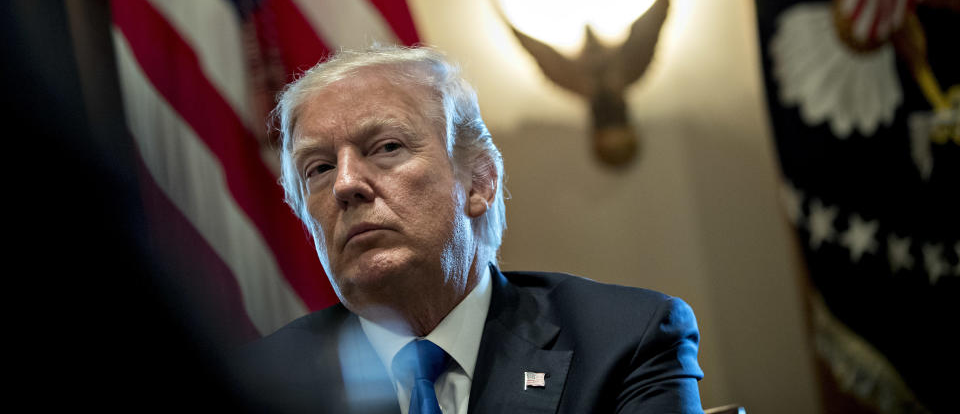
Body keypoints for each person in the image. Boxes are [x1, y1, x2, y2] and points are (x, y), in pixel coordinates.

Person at [236, 45, 703, 413]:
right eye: (317, 169)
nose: (345, 184)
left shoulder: (623, 340)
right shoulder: (261, 386)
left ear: (479, 181)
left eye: (387, 147)